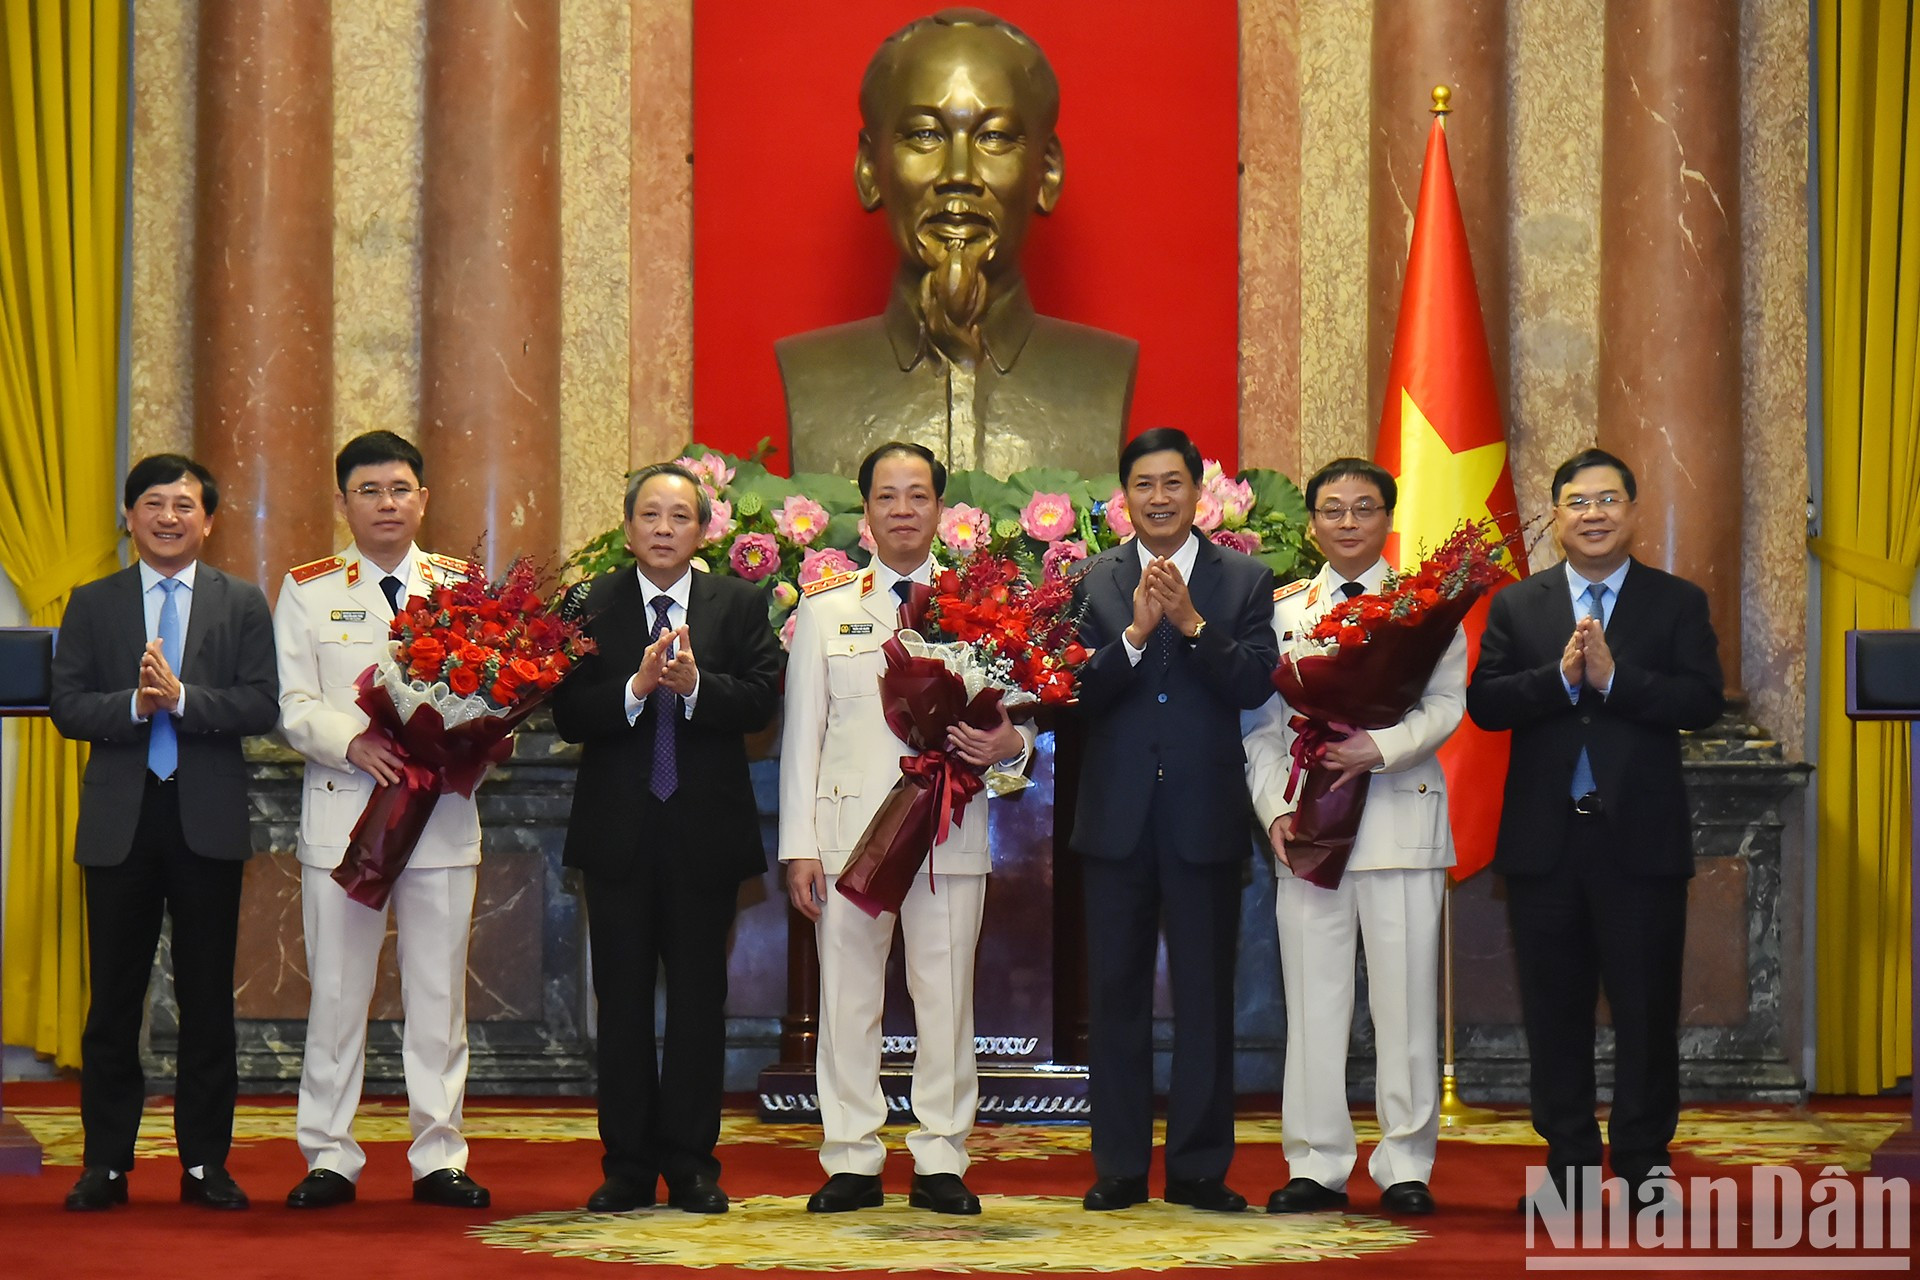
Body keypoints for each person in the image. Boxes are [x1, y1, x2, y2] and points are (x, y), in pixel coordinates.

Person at [1465, 448, 1723, 1210]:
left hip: (1639, 844)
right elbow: (1486, 703)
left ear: (1633, 512)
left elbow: (1701, 701)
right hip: (1548, 846)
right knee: (1555, 1011)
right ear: (1557, 517)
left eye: (1609, 500)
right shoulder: (1521, 604)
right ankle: (1570, 1166)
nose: (1595, 514)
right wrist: (1560, 681)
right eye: (1578, 502)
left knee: (1646, 1008)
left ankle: (1645, 1163)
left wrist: (1614, 681)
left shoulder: (1676, 601)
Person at [780, 441, 1032, 1216]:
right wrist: (799, 848)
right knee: (848, 1000)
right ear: (865, 514)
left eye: (917, 495)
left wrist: (1007, 748)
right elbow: (803, 736)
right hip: (852, 840)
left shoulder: (979, 610)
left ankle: (939, 1157)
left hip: (949, 832)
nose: (902, 510)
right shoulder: (826, 609)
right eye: (887, 496)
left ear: (940, 511)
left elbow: (1019, 725)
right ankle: (852, 1157)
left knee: (945, 1000)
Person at [552, 463, 782, 1214]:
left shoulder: (740, 604)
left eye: (678, 517)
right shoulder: (590, 602)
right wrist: (637, 689)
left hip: (703, 836)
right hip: (618, 833)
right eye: (649, 515)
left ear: (702, 530)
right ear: (627, 528)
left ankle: (690, 1163)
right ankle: (625, 1164)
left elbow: (760, 700)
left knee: (695, 1003)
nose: (662, 529)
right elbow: (566, 710)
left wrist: (694, 690)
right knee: (618, 1002)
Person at [50, 455, 279, 1212]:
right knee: (113, 1001)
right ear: (129, 516)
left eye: (185, 505)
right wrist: (135, 707)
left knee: (207, 999)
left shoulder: (241, 602)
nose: (170, 517)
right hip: (121, 822)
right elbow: (68, 706)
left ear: (208, 519)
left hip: (205, 820)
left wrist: (183, 700)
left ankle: (205, 1164)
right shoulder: (93, 602)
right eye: (154, 503)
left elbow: (258, 705)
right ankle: (107, 1164)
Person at [273, 430, 490, 1209]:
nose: (386, 503)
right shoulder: (308, 588)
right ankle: (329, 1155)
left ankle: (439, 1156)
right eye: (368, 491)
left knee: (438, 995)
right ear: (343, 503)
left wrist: (478, 741)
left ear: (423, 498)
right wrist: (352, 741)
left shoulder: (463, 587)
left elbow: (498, 692)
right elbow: (292, 706)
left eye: (399, 488)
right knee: (337, 993)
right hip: (345, 822)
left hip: (440, 822)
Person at [1242, 458, 1464, 1217]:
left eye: (1363, 508)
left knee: (1404, 1006)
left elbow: (1445, 703)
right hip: (1310, 830)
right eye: (1331, 510)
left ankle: (1406, 1165)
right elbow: (1262, 728)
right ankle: (1316, 1162)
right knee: (1314, 1000)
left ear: (1386, 519)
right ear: (1310, 524)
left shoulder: (1424, 605)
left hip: (1401, 819)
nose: (1346, 522)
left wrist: (1383, 745)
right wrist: (1274, 808)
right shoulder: (1282, 609)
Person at [778, 8, 1136, 478]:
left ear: (1047, 172)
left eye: (994, 137)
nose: (959, 175)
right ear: (869, 168)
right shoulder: (812, 375)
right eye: (925, 135)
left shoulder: (1103, 374)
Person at [1069, 427, 1277, 1213]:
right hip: (1116, 822)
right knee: (1114, 997)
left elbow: (1256, 683)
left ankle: (1197, 1168)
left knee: (1205, 999)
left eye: (1173, 484)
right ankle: (1119, 1166)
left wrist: (1191, 624)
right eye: (1144, 485)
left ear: (1199, 493)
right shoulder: (1094, 578)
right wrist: (1132, 635)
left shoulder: (1245, 581)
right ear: (1126, 497)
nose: (1159, 498)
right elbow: (1073, 696)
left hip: (1204, 819)